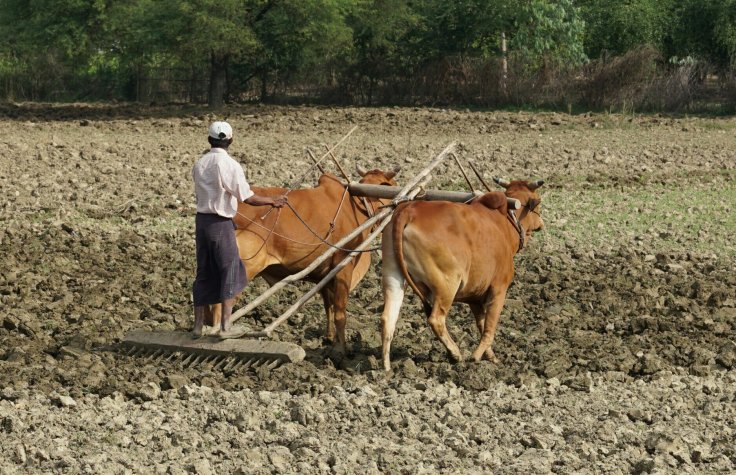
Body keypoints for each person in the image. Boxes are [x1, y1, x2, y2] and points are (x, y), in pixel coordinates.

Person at [191, 121, 287, 339]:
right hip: (221, 224)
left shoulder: (199, 164)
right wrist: (272, 201)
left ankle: (197, 326)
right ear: (230, 141)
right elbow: (247, 197)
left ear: (209, 140)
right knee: (231, 271)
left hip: (202, 223)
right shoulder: (230, 165)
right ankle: (225, 327)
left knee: (203, 272)